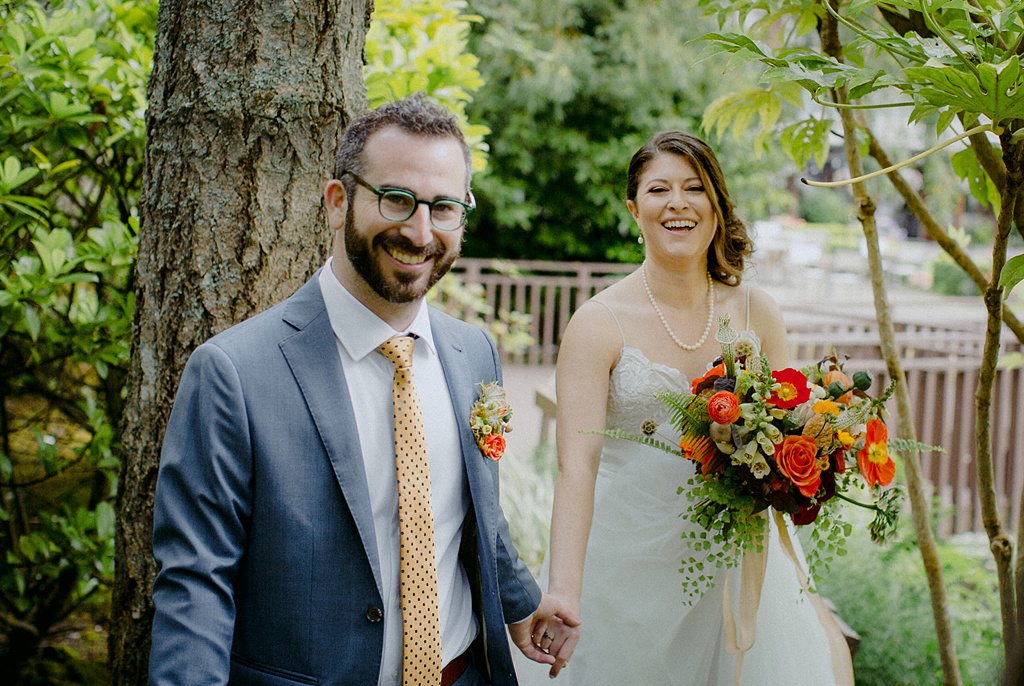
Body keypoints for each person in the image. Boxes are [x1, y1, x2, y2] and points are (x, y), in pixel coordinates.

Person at [149, 93, 578, 686]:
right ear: (337, 202)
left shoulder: (472, 352)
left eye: (444, 207)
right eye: (397, 199)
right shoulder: (232, 373)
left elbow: (469, 511)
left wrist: (521, 601)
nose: (421, 231)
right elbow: (196, 584)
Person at [514, 131, 853, 685]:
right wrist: (564, 589)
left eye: (695, 188)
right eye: (658, 190)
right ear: (634, 208)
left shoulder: (758, 312)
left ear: (716, 207)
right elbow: (578, 466)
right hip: (621, 570)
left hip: (733, 563)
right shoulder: (598, 324)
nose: (678, 203)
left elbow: (794, 430)